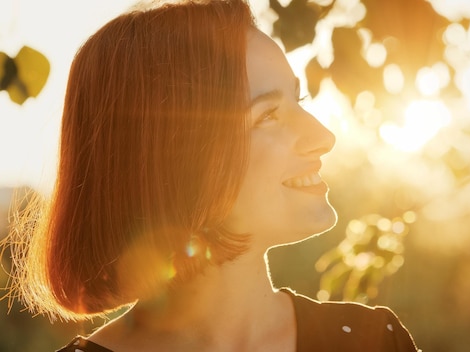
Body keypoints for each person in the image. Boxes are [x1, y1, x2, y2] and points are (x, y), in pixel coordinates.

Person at [4, 0, 418, 350]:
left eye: (299, 99)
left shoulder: (372, 341)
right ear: (174, 157)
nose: (323, 137)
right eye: (268, 115)